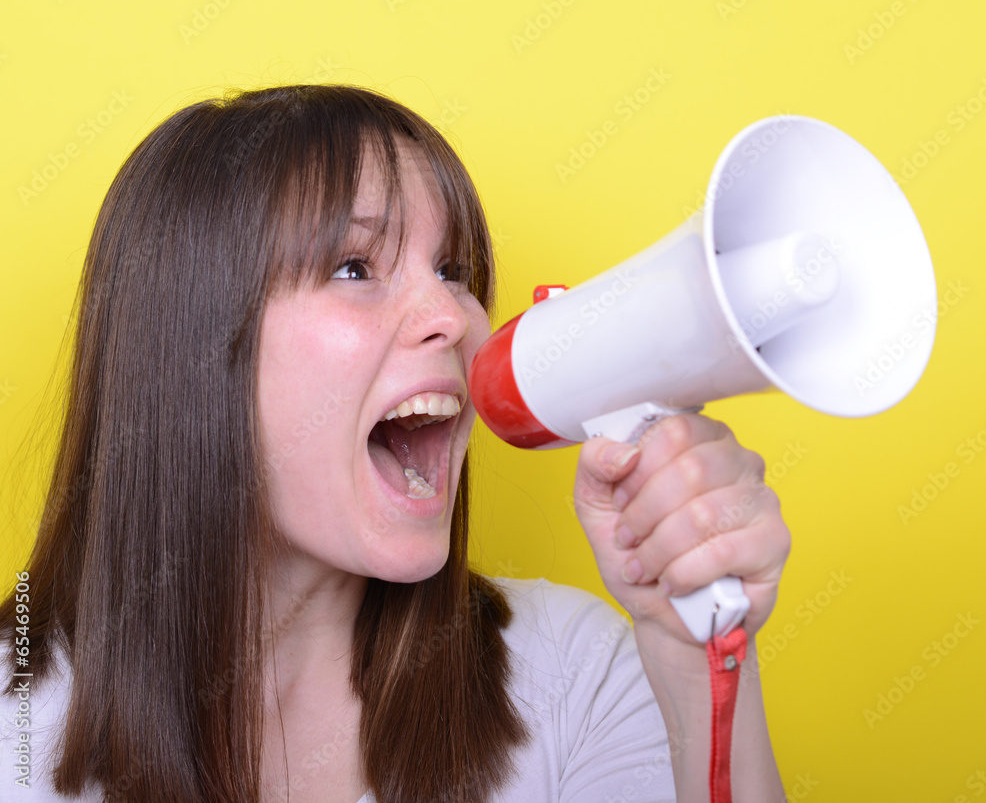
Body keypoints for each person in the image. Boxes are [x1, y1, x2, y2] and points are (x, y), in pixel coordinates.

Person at [0, 84, 790, 802]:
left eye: (452, 268)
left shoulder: (578, 676)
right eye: (354, 267)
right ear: (192, 350)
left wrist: (696, 675)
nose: (455, 314)